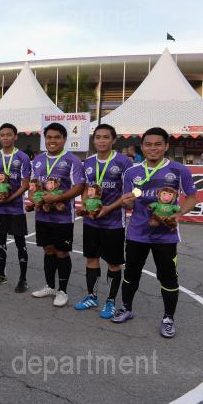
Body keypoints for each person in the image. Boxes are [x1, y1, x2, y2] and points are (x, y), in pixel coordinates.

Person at [112, 127, 197, 338]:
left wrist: (178, 215)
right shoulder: (131, 173)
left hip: (166, 236)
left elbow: (192, 197)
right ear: (142, 147)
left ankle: (168, 318)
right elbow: (128, 202)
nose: (153, 148)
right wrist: (126, 203)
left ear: (166, 146)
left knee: (168, 278)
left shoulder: (179, 170)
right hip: (137, 234)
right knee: (131, 274)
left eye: (158, 144)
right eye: (148, 144)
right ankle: (127, 308)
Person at [74, 124, 132, 317]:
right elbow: (85, 188)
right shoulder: (88, 162)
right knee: (91, 259)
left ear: (113, 140)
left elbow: (128, 193)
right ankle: (91, 296)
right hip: (92, 221)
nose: (101, 140)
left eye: (106, 137)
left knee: (113, 263)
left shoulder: (124, 162)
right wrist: (86, 206)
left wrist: (108, 208)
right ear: (94, 140)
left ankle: (110, 301)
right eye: (98, 137)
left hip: (113, 222)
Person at [30, 123, 85, 307]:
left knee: (61, 252)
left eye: (57, 137)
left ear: (64, 139)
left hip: (63, 217)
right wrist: (33, 197)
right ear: (45, 139)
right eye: (49, 137)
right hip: (42, 216)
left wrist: (57, 198)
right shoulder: (38, 160)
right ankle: (50, 287)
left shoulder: (72, 160)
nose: (52, 140)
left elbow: (79, 187)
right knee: (48, 250)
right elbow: (33, 184)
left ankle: (63, 291)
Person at [0, 123, 31, 292]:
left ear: (15, 136)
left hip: (16, 209)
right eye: (2, 135)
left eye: (9, 134)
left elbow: (25, 184)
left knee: (20, 243)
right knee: (0, 242)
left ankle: (23, 279)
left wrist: (9, 198)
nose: (5, 137)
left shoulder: (23, 157)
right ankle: (2, 275)